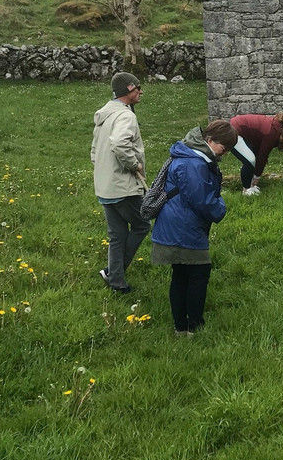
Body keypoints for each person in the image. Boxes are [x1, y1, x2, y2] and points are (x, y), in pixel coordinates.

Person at [150, 120, 238, 335]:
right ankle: (193, 327)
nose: (223, 154)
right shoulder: (194, 163)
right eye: (223, 148)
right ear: (209, 140)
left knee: (180, 274)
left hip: (175, 222)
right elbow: (203, 201)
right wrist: (221, 206)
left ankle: (180, 326)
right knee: (198, 273)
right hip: (184, 226)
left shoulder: (189, 155)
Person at [91, 72, 150, 294]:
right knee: (142, 225)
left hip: (105, 184)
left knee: (117, 234)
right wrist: (134, 165)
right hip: (123, 187)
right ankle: (114, 273)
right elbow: (119, 144)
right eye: (137, 89)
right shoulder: (125, 116)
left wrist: (102, 170)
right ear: (128, 91)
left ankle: (116, 281)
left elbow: (95, 151)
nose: (140, 92)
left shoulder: (104, 115)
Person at [228, 112, 283, 195]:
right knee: (250, 160)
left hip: (241, 129)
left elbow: (259, 151)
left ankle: (250, 185)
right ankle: (246, 190)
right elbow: (263, 155)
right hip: (234, 131)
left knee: (252, 158)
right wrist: (257, 177)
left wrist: (256, 175)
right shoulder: (272, 134)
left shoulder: (278, 128)